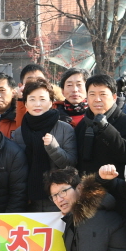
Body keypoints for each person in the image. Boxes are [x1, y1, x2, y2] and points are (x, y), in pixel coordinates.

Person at [10, 80, 77, 212]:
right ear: (25, 103)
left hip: (59, 200)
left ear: (51, 102)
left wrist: (53, 148)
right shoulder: (19, 133)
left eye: (42, 99)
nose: (37, 104)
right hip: (30, 201)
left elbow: (71, 164)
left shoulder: (65, 129)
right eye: (32, 99)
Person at [74, 74, 126, 175]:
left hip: (114, 186)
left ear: (114, 97)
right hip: (85, 187)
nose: (97, 99)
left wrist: (106, 128)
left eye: (103, 94)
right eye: (92, 94)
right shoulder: (82, 125)